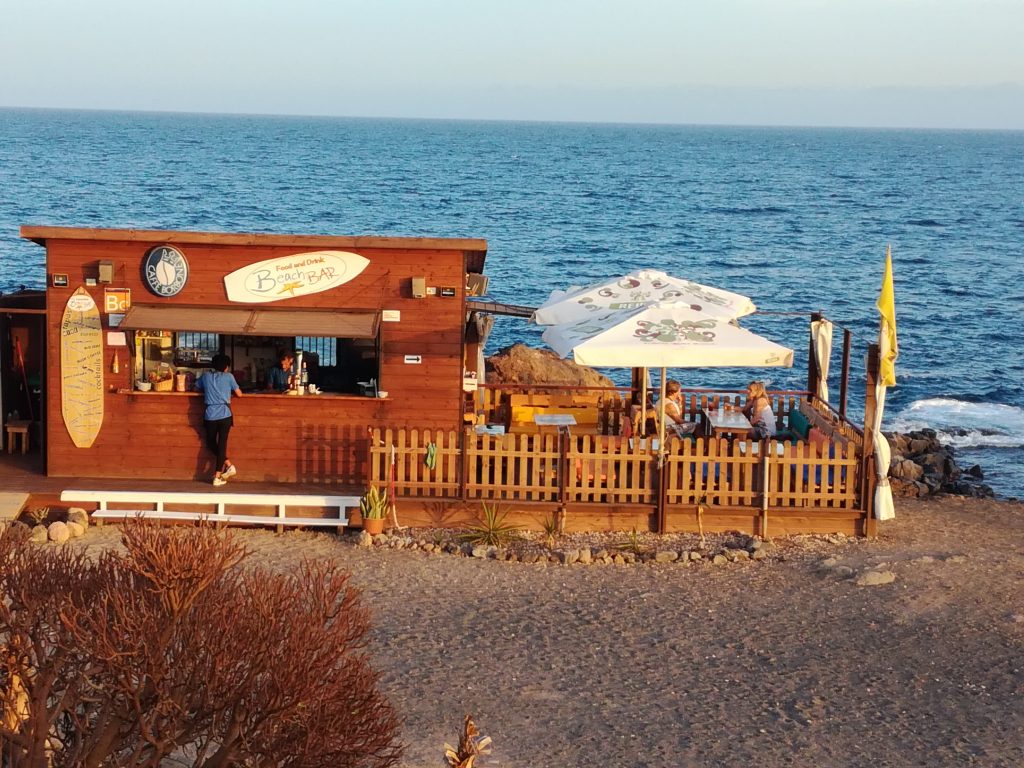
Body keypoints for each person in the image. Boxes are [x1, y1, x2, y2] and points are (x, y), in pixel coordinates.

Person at [195, 353, 242, 486]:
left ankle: (219, 474)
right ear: (226, 366)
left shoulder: (206, 376)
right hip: (225, 415)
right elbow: (240, 394)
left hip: (210, 414)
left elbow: (196, 387)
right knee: (222, 445)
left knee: (211, 443)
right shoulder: (229, 377)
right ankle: (224, 469)